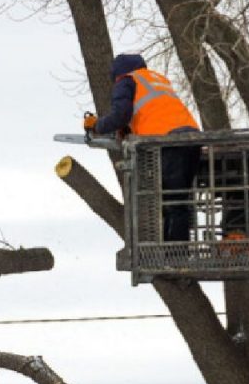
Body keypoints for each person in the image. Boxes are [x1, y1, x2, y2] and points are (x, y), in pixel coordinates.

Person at [83, 53, 201, 242]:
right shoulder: (156, 80)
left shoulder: (126, 81)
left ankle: (175, 257)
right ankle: (178, 253)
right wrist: (127, 129)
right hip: (193, 138)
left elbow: (121, 114)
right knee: (178, 200)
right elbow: (151, 112)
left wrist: (97, 125)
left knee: (171, 203)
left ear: (117, 75)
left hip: (169, 143)